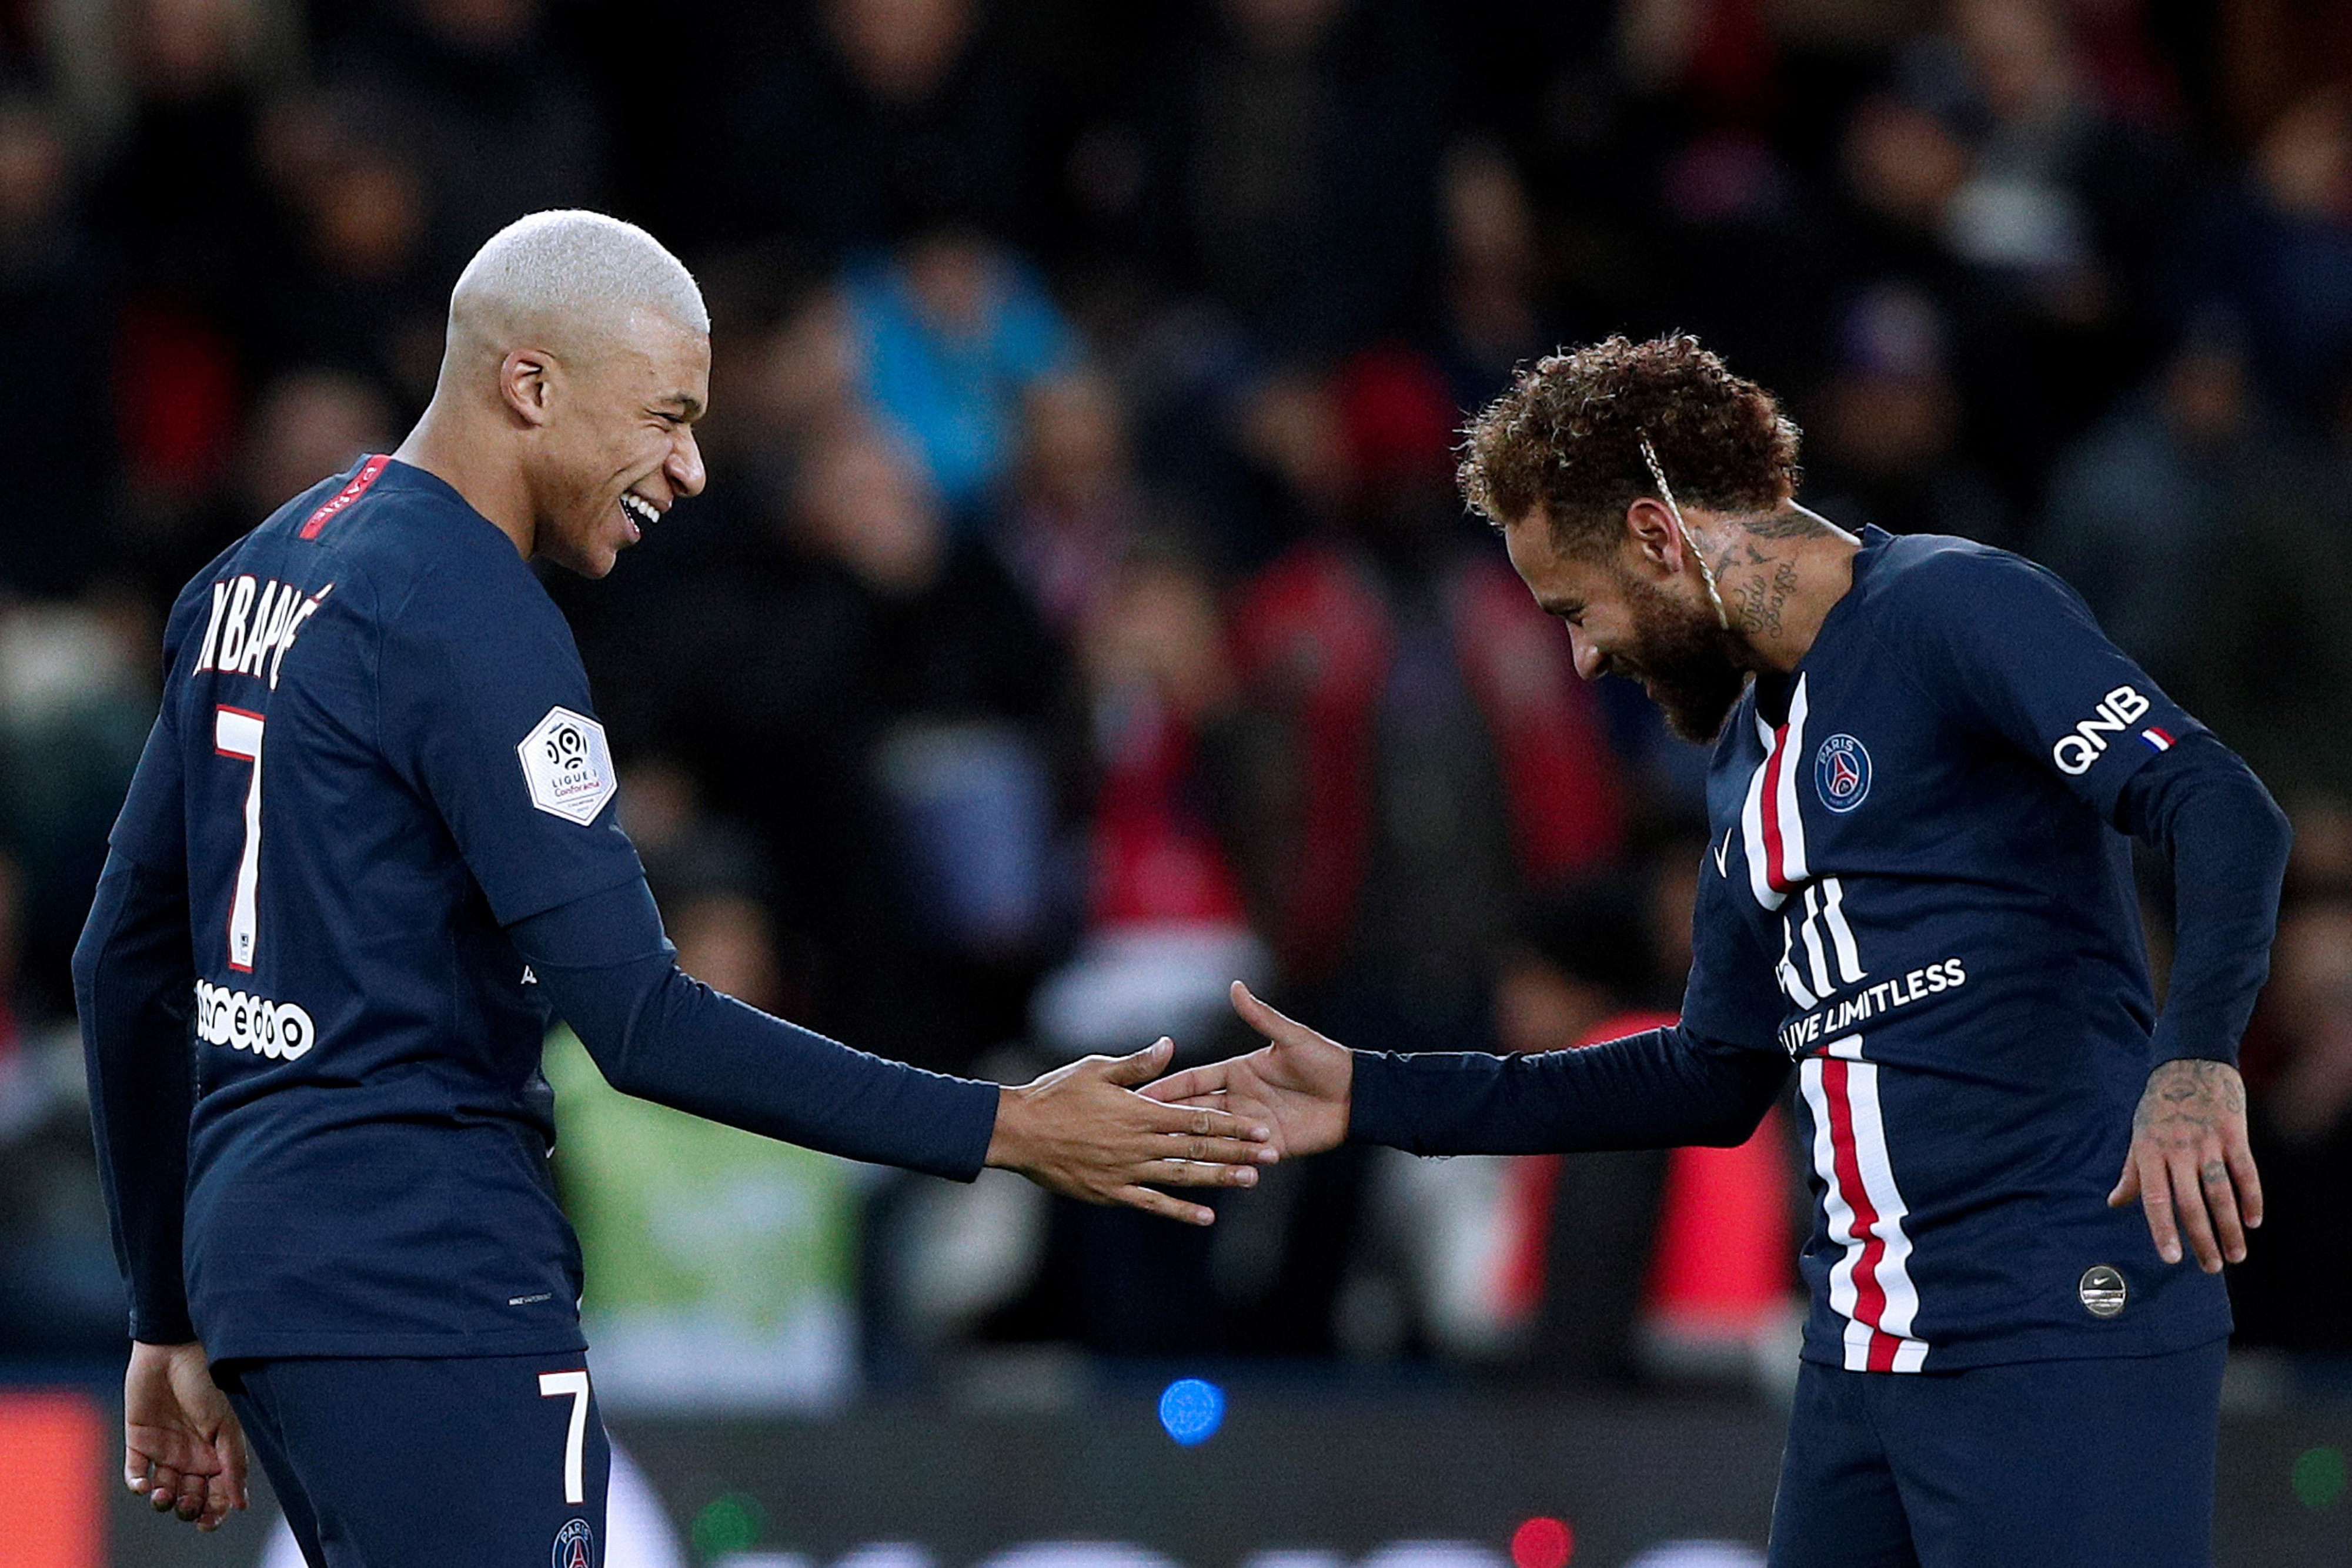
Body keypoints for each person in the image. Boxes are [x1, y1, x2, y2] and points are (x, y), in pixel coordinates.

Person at [72, 210, 1274, 1564]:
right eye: (665, 415)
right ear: (530, 386)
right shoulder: (471, 617)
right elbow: (638, 1021)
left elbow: (123, 960)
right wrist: (1006, 1126)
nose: (691, 469)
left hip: (269, 1269)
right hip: (426, 1280)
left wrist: (166, 1303)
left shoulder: (259, 569)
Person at [1151, 335, 2290, 1566]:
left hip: (2056, 1314)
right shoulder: (1743, 758)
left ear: (1654, 533)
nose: (1584, 655)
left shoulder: (1952, 606)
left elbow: (2217, 804)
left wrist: (2191, 1062)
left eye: (1574, 609)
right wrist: (1378, 1090)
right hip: (1860, 1351)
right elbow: (1704, 1072)